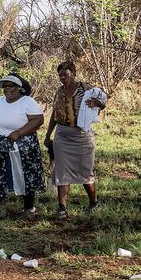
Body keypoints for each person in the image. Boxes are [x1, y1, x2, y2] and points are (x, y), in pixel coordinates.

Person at [44, 61, 107, 218]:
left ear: (73, 73)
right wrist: (48, 135)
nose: (62, 78)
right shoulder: (59, 91)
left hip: (82, 135)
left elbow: (103, 104)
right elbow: (54, 113)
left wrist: (95, 103)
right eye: (60, 75)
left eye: (65, 74)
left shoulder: (86, 88)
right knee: (62, 172)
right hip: (62, 135)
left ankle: (94, 203)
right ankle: (62, 208)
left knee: (86, 172)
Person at [0, 73, 46, 219]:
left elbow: (38, 120)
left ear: (19, 88)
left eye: (11, 86)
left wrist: (19, 132)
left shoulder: (27, 102)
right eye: (5, 86)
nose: (7, 89)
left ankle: (29, 208)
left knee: (24, 175)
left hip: (22, 146)